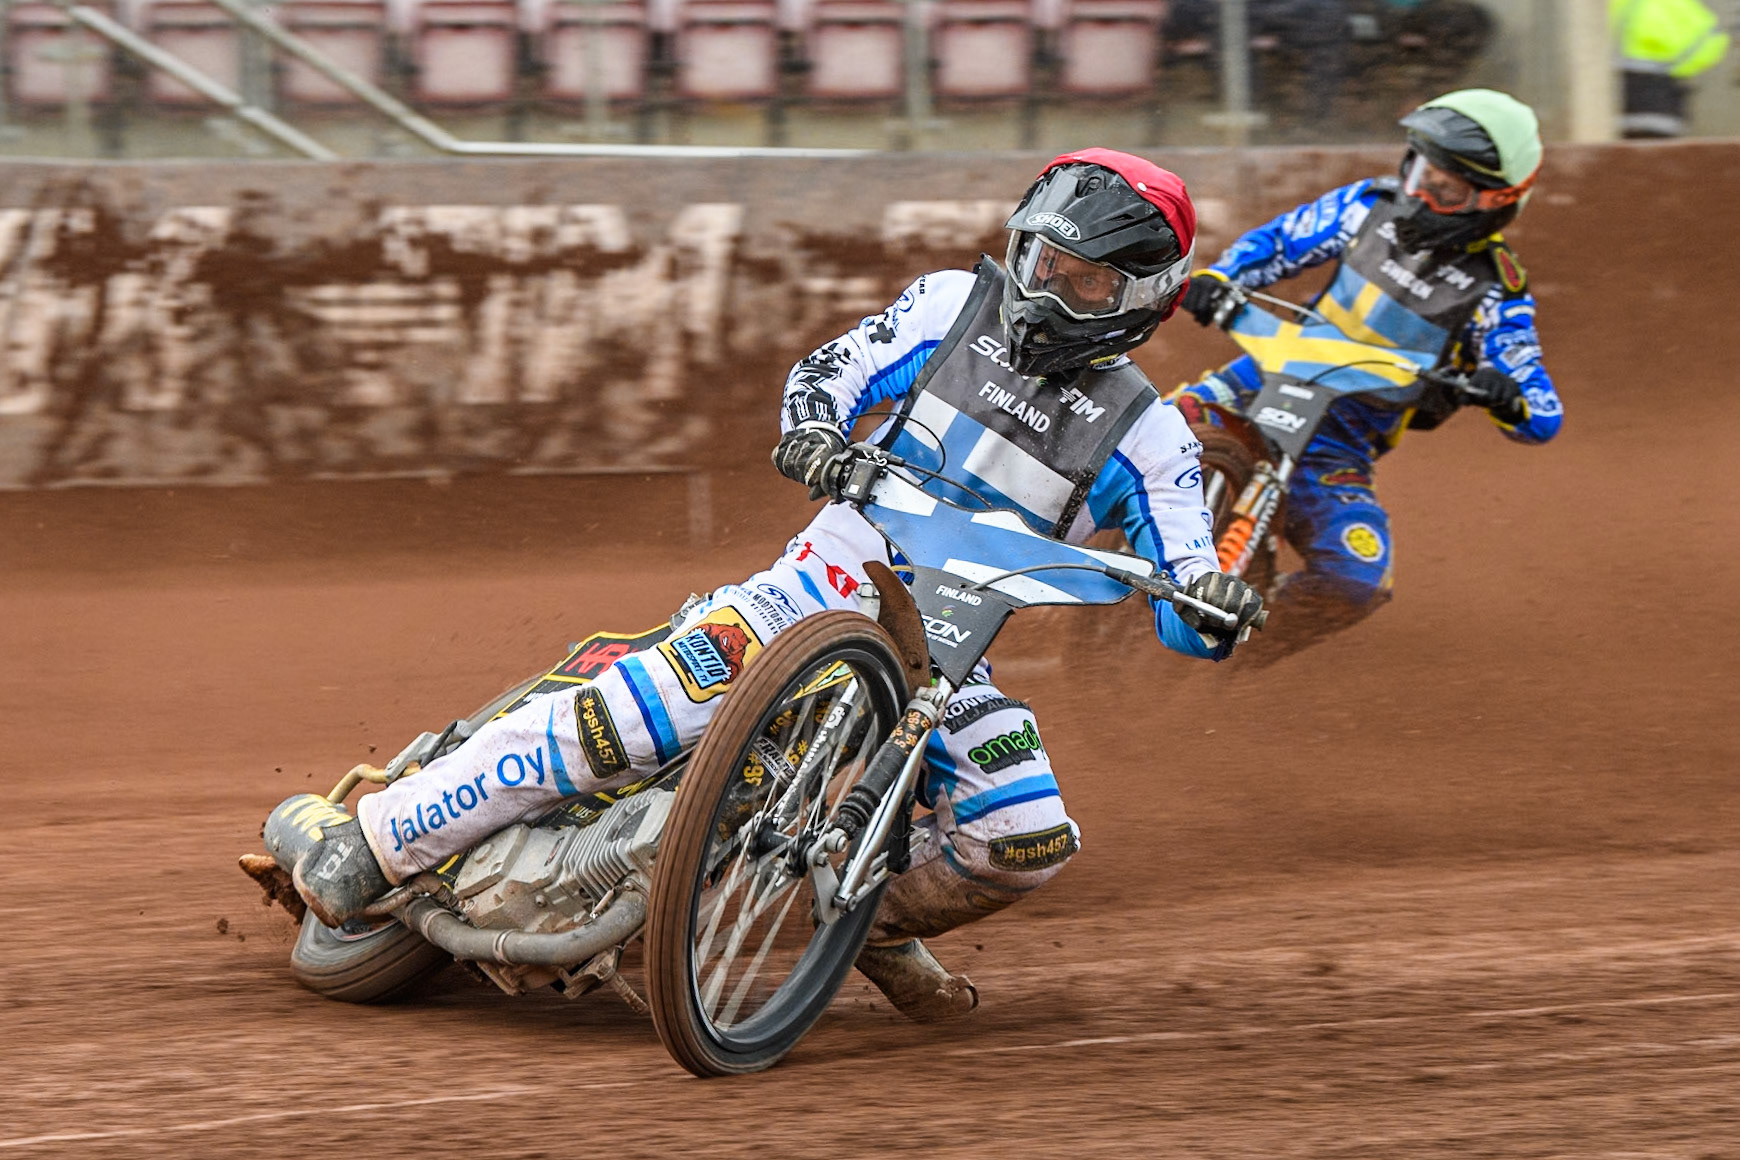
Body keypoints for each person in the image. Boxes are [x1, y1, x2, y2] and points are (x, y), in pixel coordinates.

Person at [259, 149, 1264, 1023]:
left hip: (949, 661)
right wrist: (818, 431)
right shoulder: (950, 306)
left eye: (1086, 282)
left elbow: (1186, 591)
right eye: (1046, 262)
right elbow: (831, 370)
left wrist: (1213, 604)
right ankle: (379, 844)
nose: (1048, 292)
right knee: (626, 720)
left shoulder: (1150, 432)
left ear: (1141, 297)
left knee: (1026, 835)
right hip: (812, 593)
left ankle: (854, 909)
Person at [1172, 88, 1562, 662]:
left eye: (1444, 187)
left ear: (1496, 201)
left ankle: (1240, 655)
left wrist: (1508, 397)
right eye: (1419, 170)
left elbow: (1542, 412)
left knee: (1358, 579)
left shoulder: (1495, 290)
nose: (1418, 192)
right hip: (1261, 378)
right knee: (1134, 439)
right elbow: (1279, 242)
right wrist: (1222, 277)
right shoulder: (1365, 206)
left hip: (1336, 445)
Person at [1611, 0, 1730, 139]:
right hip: (1663, 94)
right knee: (1660, 156)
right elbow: (1711, 40)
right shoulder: (1679, 6)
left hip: (1612, 92)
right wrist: (1676, 67)